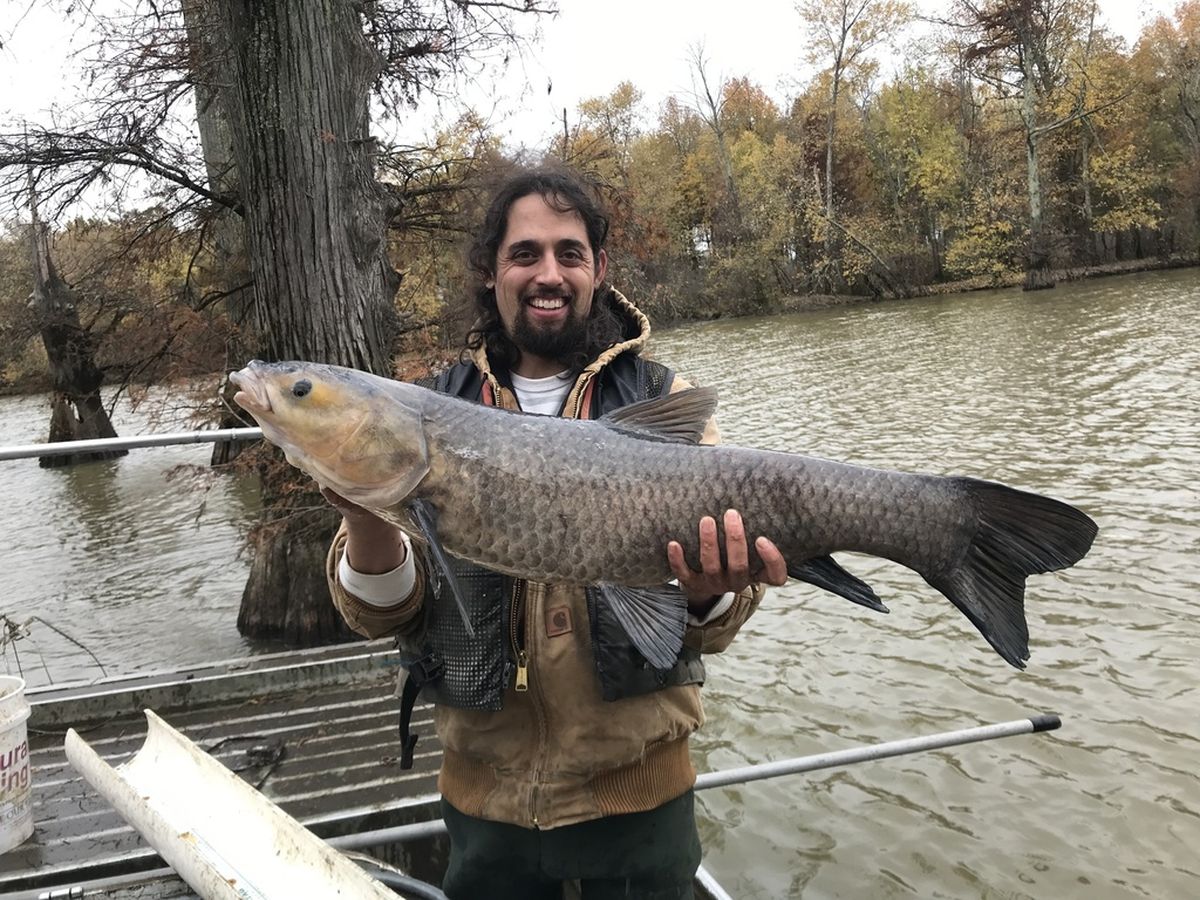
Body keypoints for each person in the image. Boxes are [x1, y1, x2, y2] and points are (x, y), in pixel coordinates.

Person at [324, 167, 788, 899]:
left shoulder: (663, 400)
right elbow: (385, 612)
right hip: (488, 806)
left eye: (569, 254)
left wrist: (709, 596)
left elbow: (716, 625)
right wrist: (359, 510)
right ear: (490, 272)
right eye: (525, 254)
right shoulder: (424, 410)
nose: (549, 274)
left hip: (641, 807)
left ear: (598, 271)